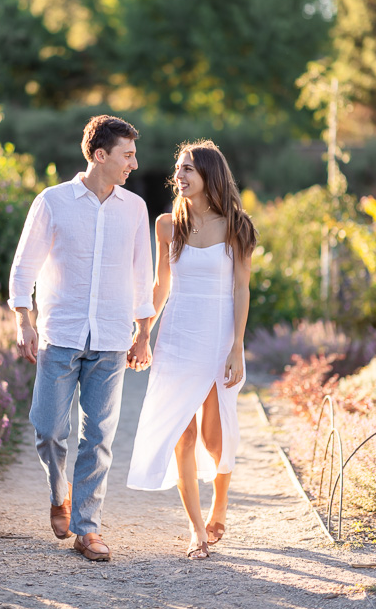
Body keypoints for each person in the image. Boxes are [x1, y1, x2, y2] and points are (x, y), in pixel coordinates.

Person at [9, 115, 154, 562]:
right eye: (127, 155)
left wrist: (143, 331)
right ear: (100, 155)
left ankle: (86, 529)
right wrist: (24, 320)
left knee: (99, 438)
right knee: (48, 428)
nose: (133, 163)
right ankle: (60, 494)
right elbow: (24, 266)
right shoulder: (52, 202)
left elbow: (141, 273)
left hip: (111, 337)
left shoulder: (134, 207)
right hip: (61, 333)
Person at [127, 139, 256, 559]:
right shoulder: (167, 225)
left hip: (219, 339)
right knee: (182, 433)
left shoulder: (237, 225)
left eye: (188, 170)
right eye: (178, 168)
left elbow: (241, 288)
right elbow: (161, 285)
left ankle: (221, 503)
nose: (179, 176)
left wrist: (237, 346)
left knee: (215, 438)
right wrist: (143, 331)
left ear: (209, 177)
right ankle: (196, 531)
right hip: (178, 336)